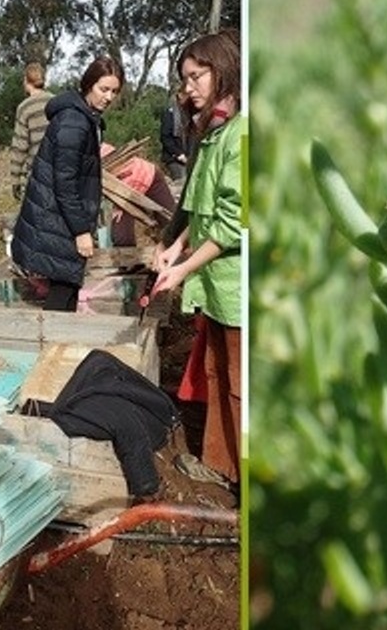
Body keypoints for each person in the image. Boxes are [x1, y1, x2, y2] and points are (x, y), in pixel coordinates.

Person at [151, 30, 243, 488]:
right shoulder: (214, 133)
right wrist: (177, 244)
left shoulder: (241, 136)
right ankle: (221, 463)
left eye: (196, 76)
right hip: (215, 282)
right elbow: (203, 207)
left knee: (241, 383)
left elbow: (232, 223)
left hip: (235, 283)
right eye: (184, 79)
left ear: (222, 69)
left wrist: (185, 268)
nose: (188, 88)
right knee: (218, 371)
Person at [10, 56, 123, 311]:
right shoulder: (74, 121)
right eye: (103, 89)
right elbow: (65, 182)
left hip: (59, 218)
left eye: (114, 91)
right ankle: (54, 347)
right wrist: (81, 231)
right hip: (58, 219)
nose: (109, 97)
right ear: (88, 85)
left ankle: (61, 345)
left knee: (67, 288)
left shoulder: (85, 117)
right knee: (62, 294)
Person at [8, 61, 53, 197]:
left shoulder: (25, 107)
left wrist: (15, 180)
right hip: (59, 167)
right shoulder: (55, 101)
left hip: (37, 170)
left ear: (26, 80)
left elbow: (20, 146)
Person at [159, 95, 188, 183]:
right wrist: (178, 154)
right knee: (181, 181)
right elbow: (165, 136)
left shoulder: (188, 114)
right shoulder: (170, 113)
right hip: (174, 158)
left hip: (188, 157)